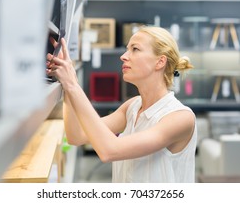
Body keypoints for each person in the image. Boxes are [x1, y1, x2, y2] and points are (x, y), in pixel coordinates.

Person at [46, 25, 197, 183]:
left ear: (160, 62)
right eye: (127, 49)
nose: (124, 56)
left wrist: (72, 85)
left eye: (135, 49)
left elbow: (109, 150)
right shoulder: (132, 107)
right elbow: (76, 136)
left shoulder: (180, 118)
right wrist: (68, 84)